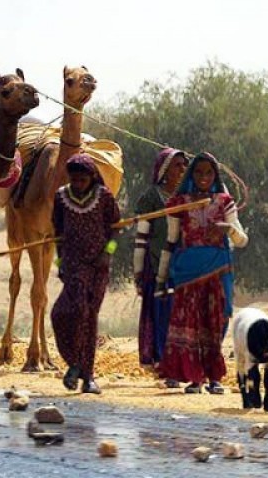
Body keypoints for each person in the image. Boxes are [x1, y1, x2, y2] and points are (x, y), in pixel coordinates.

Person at [156, 152, 249, 394]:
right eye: (198, 172)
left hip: (217, 271)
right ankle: (194, 378)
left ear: (215, 175)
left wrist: (227, 228)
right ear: (191, 174)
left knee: (216, 321)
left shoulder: (224, 202)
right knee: (191, 324)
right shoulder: (181, 203)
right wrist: (160, 277)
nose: (204, 177)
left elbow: (242, 240)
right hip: (187, 272)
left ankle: (213, 378)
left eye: (208, 173)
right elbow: (171, 240)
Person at [51, 153, 121, 394]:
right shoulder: (61, 198)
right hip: (73, 264)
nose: (78, 184)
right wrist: (59, 262)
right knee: (61, 314)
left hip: (98, 266)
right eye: (74, 180)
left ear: (92, 177)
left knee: (89, 316)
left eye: (82, 180)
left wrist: (108, 253)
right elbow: (58, 234)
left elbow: (115, 230)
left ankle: (87, 375)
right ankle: (75, 363)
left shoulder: (104, 197)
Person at [133, 148, 188, 383]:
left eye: (185, 165)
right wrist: (138, 272)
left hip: (185, 269)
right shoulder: (151, 199)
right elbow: (141, 239)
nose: (182, 170)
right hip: (158, 268)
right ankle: (163, 363)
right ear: (165, 171)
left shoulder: (189, 198)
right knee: (163, 316)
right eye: (177, 165)